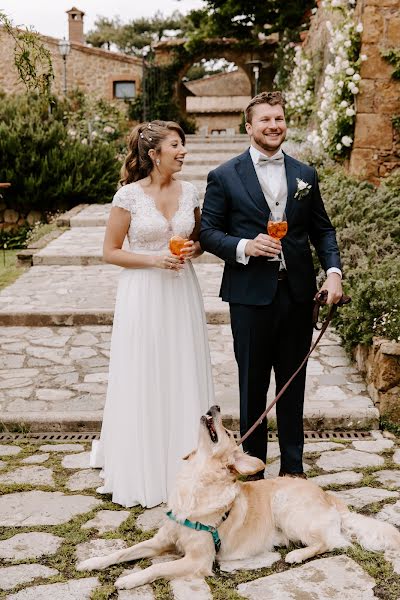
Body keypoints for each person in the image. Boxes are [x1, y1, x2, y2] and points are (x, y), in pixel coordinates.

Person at [200, 91, 342, 478]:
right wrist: (245, 245)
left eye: (278, 119)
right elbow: (209, 233)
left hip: (297, 295)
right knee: (253, 388)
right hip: (249, 297)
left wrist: (333, 273)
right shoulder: (224, 175)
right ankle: (255, 474)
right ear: (249, 126)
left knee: (292, 386)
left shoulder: (304, 174)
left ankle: (294, 473)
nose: (273, 126)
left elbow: (322, 230)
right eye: (265, 120)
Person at [91, 120, 214, 507]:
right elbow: (111, 251)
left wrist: (195, 250)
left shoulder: (191, 191)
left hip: (181, 292)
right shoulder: (128, 197)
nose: (183, 152)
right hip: (142, 292)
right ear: (153, 153)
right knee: (144, 371)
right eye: (175, 145)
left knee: (182, 368)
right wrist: (152, 260)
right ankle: (143, 464)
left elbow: (198, 241)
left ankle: (188, 461)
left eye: (183, 145)